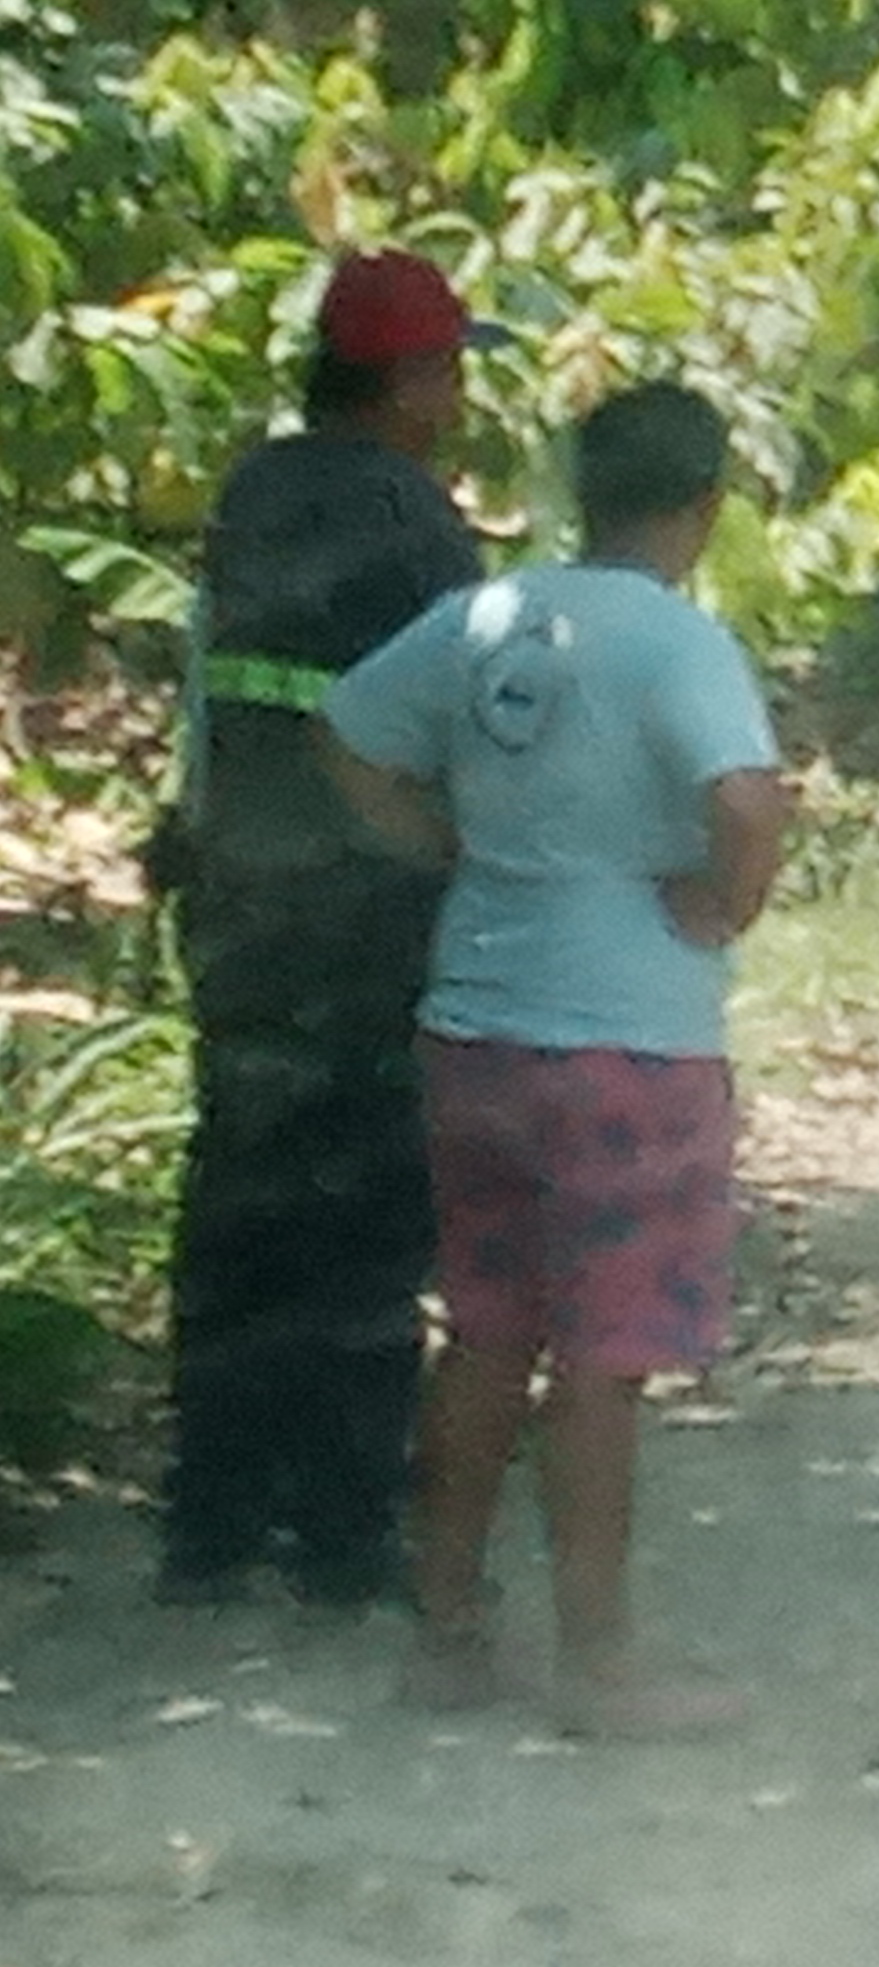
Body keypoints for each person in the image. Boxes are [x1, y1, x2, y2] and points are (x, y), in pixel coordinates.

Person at [322, 382, 792, 1733]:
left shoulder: (492, 614)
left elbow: (348, 734)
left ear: (582, 490)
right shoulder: (679, 640)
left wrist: (445, 844)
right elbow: (746, 798)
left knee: (485, 1329)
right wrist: (723, 903)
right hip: (628, 1039)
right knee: (604, 1351)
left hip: (477, 1021)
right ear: (705, 506)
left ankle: (449, 1635)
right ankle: (598, 1664)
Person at [157, 247, 497, 1607]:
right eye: (450, 371)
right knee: (364, 1218)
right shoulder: (420, 523)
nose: (457, 399)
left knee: (237, 1201)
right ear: (409, 379)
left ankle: (210, 1522)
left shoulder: (252, 495)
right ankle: (344, 1533)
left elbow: (205, 692)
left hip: (240, 907)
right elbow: (453, 727)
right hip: (368, 922)